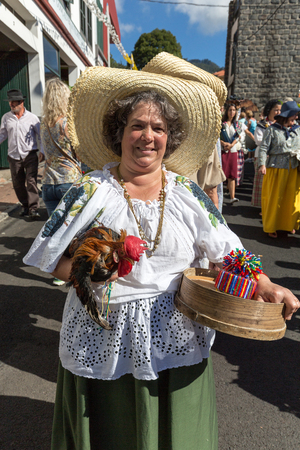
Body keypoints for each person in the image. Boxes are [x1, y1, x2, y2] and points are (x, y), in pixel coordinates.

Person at [23, 56, 300, 450]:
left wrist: (266, 284)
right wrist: (90, 272)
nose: (147, 136)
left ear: (171, 138)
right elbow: (51, 258)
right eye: (137, 125)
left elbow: (229, 252)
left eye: (159, 128)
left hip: (176, 339)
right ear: (119, 132)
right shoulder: (90, 191)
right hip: (103, 338)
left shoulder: (188, 194)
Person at [39, 78, 82, 285]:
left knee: (55, 231)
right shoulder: (68, 123)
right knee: (74, 229)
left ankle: (58, 273)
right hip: (69, 180)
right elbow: (80, 153)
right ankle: (74, 271)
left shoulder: (43, 124)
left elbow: (45, 153)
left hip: (48, 182)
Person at [258, 101, 300, 238]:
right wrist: (262, 164)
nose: (296, 118)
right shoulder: (272, 129)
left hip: (293, 168)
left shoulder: (298, 130)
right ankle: (272, 226)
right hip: (276, 168)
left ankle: (288, 224)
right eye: (294, 115)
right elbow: (264, 148)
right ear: (286, 116)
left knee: (291, 200)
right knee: (275, 199)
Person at [0, 89, 42, 219]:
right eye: (10, 103)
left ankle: (33, 208)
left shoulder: (32, 118)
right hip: (13, 156)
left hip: (30, 154)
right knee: (17, 183)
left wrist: (43, 152)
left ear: (22, 102)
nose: (12, 105)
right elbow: (2, 134)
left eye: (14, 103)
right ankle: (25, 206)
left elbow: (41, 136)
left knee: (31, 181)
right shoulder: (6, 117)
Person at [251, 99, 281, 212]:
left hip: (275, 156)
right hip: (261, 156)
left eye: (280, 110)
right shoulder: (262, 124)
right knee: (262, 182)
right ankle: (263, 207)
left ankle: (271, 206)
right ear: (269, 110)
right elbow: (258, 140)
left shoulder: (281, 125)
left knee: (273, 184)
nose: (278, 112)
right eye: (276, 110)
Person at [220, 103, 254, 203]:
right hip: (223, 150)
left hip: (233, 150)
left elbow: (238, 136)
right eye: (230, 110)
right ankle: (219, 196)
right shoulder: (221, 123)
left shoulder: (238, 124)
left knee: (232, 174)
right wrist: (223, 143)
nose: (232, 112)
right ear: (227, 111)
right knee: (221, 174)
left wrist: (231, 144)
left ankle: (232, 197)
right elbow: (217, 136)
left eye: (234, 110)